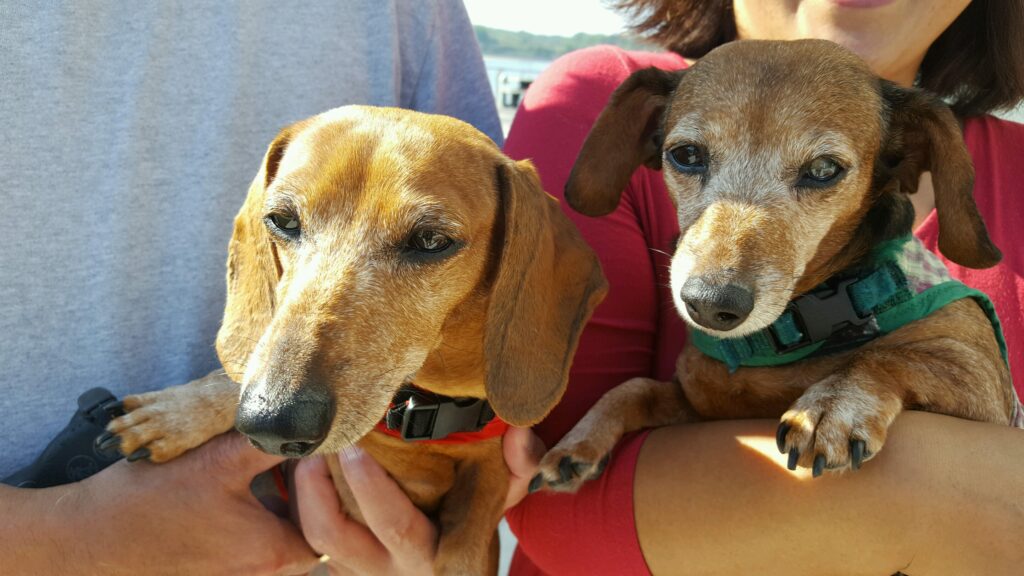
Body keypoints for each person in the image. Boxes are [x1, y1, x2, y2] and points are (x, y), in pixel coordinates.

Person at [497, 1, 1024, 574]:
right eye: (689, 157)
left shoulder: (926, 300)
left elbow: (979, 395)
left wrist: (878, 380)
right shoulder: (593, 93)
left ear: (910, 155)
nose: (719, 272)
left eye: (821, 170)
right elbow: (555, 512)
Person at [0, 1, 502, 573]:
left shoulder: (407, 12)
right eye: (285, 223)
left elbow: (493, 308)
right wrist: (65, 537)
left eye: (426, 242)